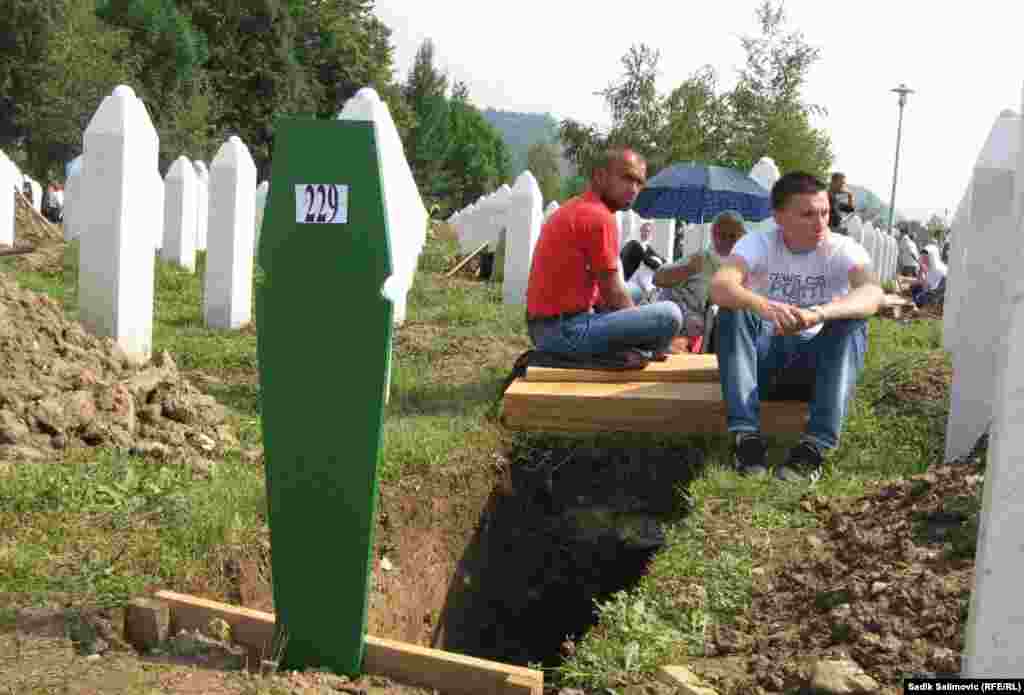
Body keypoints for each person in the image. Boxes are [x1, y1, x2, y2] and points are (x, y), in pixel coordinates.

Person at [709, 172, 883, 482]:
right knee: (733, 311)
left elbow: (872, 294)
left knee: (853, 322)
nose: (820, 223)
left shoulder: (843, 248)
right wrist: (764, 306)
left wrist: (820, 313)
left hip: (816, 370)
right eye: (807, 214)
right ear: (779, 217)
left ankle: (813, 449)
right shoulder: (758, 242)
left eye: (825, 212)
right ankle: (746, 441)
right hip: (762, 365)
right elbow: (721, 286)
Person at [525, 147, 682, 357]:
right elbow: (614, 295)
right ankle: (639, 350)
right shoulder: (599, 217)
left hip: (547, 326)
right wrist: (641, 330)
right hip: (563, 332)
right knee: (670, 314)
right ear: (600, 176)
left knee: (635, 290)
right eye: (627, 178)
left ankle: (637, 348)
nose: (634, 189)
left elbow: (605, 295)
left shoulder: (580, 206)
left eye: (639, 182)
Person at [653, 210, 746, 350]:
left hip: (713, 334)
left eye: (732, 236)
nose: (726, 240)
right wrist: (688, 268)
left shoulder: (745, 266)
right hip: (680, 327)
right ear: (713, 234)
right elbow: (658, 278)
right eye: (721, 235)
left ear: (742, 238)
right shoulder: (701, 258)